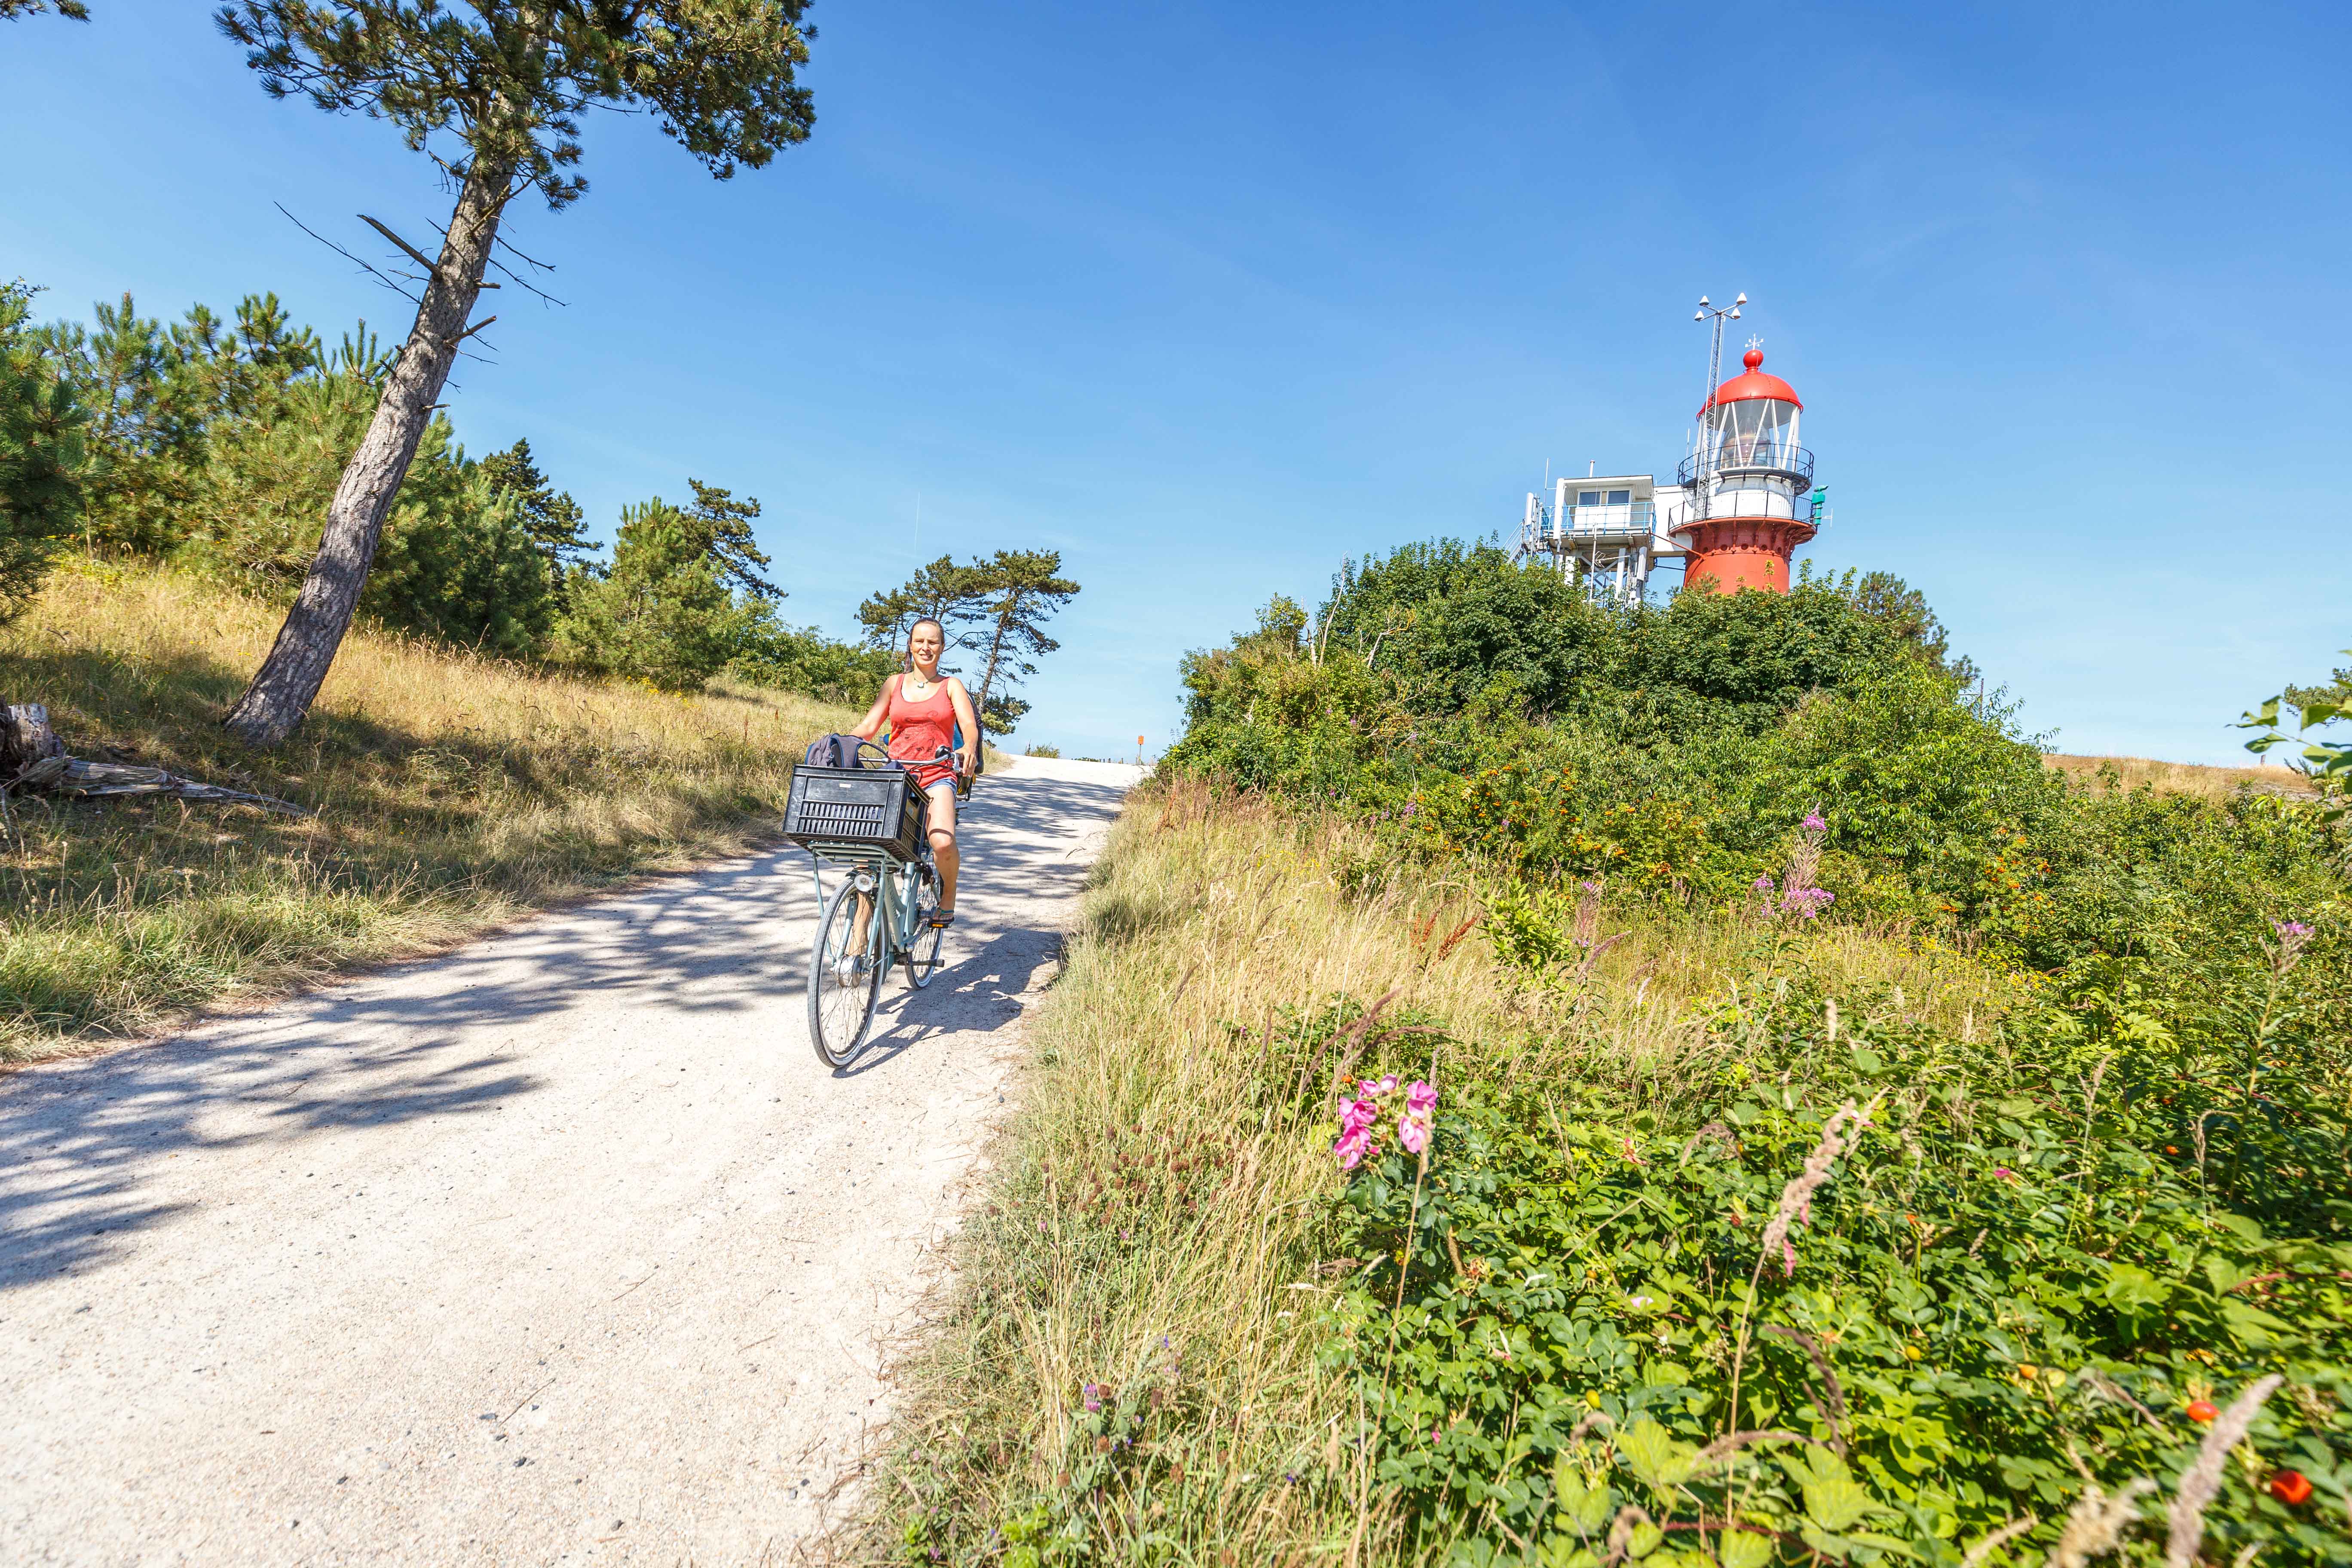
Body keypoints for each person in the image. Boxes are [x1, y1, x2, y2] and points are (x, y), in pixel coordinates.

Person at [850, 618, 977, 926]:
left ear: (942, 648)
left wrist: (969, 747)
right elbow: (869, 726)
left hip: (937, 774)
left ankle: (948, 898)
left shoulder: (951, 686)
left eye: (933, 642)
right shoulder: (894, 684)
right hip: (896, 775)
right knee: (868, 858)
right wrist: (843, 743)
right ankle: (856, 942)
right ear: (910, 645)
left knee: (942, 842)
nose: (926, 647)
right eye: (919, 641)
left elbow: (969, 726)